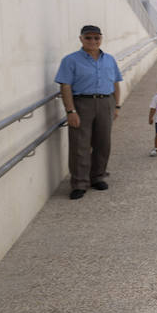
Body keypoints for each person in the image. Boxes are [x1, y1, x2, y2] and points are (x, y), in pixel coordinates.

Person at [55, 24, 124, 200]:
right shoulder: (70, 60)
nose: (93, 41)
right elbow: (65, 86)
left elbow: (116, 82)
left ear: (101, 39)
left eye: (96, 38)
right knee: (80, 145)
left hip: (106, 102)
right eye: (88, 38)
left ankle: (97, 177)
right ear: (81, 39)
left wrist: (116, 106)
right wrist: (70, 110)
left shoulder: (109, 59)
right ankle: (79, 183)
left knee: (103, 143)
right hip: (82, 103)